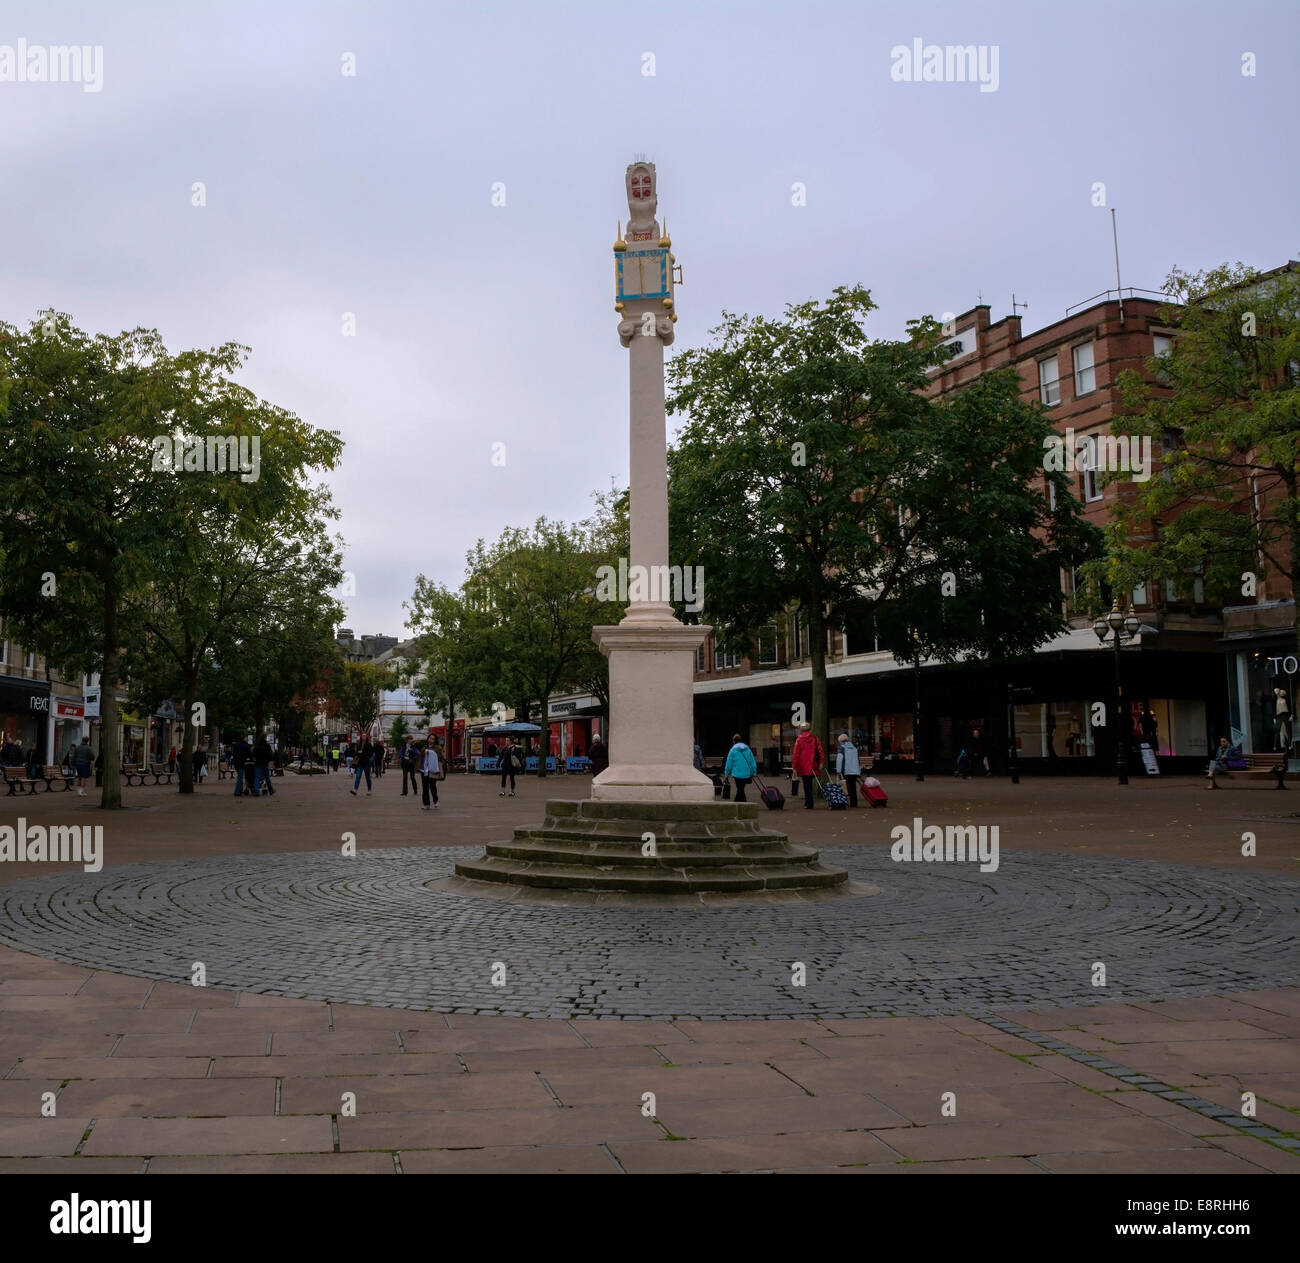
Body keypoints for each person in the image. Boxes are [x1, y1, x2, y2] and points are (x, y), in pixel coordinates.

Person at [791, 723, 824, 810]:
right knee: (809, 784)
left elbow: (796, 754)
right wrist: (821, 763)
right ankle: (809, 802)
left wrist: (794, 766)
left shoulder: (799, 740)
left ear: (801, 730)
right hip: (814, 765)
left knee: (806, 785)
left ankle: (809, 803)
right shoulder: (816, 739)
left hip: (803, 766)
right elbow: (820, 752)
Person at [723, 733, 758, 803]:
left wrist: (726, 774)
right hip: (746, 772)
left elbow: (729, 763)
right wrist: (754, 772)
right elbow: (752, 761)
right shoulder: (747, 749)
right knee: (741, 788)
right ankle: (740, 802)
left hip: (737, 773)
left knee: (740, 788)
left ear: (733, 741)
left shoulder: (732, 750)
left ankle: (739, 802)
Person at [835, 732, 861, 807]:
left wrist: (838, 771)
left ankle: (844, 802)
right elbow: (856, 760)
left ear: (841, 741)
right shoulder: (854, 748)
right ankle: (854, 803)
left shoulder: (842, 748)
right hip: (855, 771)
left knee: (846, 787)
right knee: (853, 787)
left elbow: (840, 760)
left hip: (846, 770)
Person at [420, 740, 444, 810]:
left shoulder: (437, 748)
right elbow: (420, 755)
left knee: (432, 785)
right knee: (425, 787)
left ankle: (435, 800)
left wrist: (431, 752)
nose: (431, 740)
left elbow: (440, 757)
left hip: (432, 769)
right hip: (424, 769)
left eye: (433, 739)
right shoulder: (424, 747)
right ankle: (426, 804)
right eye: (430, 738)